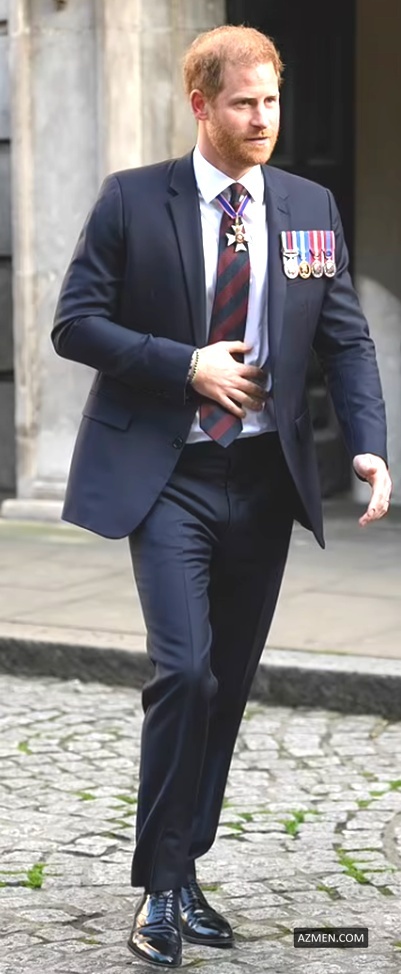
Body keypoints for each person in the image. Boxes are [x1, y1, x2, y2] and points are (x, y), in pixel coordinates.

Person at [51, 24, 392, 969]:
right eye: (243, 103)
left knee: (227, 687)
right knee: (185, 673)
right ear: (200, 105)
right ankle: (160, 887)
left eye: (271, 100)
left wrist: (368, 445)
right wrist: (185, 365)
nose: (262, 119)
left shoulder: (308, 206)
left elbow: (344, 338)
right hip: (169, 477)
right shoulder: (131, 200)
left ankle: (181, 869)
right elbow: (74, 324)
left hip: (264, 480)